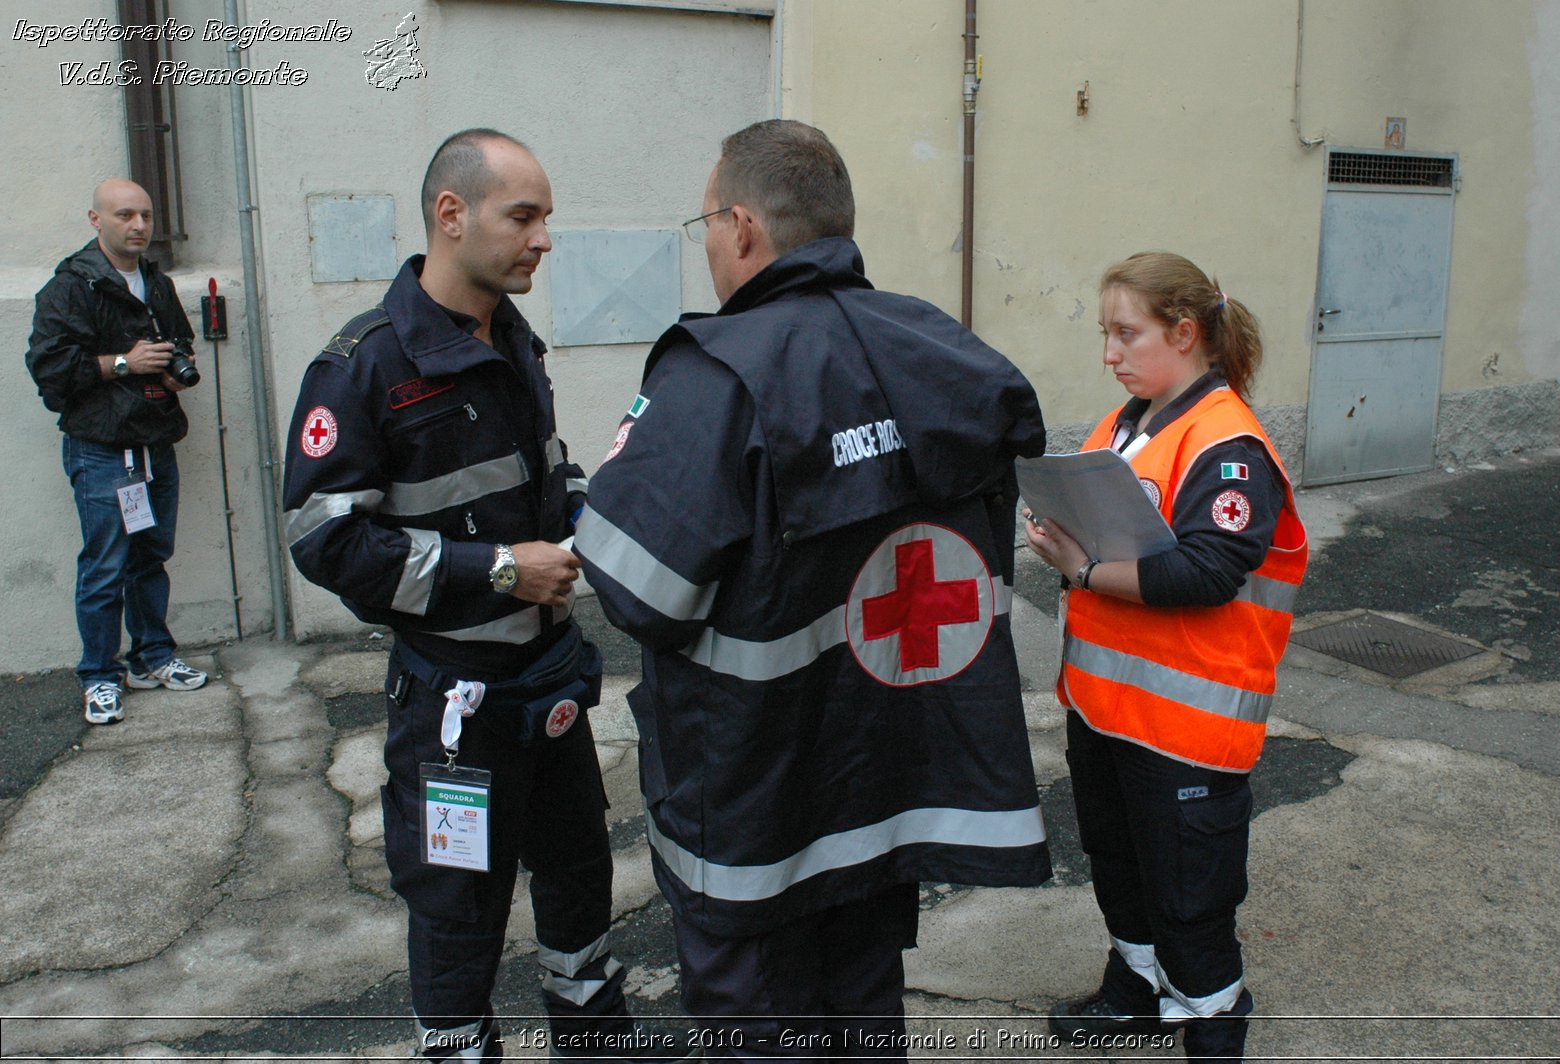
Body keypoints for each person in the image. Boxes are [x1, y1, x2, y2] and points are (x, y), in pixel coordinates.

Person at [575, 119, 1052, 1059]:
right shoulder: (947, 352)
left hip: (756, 807)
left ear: (744, 226)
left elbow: (640, 593)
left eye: (706, 221)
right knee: (865, 1014)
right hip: (890, 795)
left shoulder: (714, 375)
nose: (707, 242)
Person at [281, 129, 686, 1064]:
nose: (545, 239)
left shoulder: (509, 333)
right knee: (458, 905)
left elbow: (546, 475)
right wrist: (500, 571)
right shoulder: (362, 366)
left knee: (580, 875)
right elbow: (323, 536)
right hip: (453, 708)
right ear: (450, 217)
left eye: (547, 217)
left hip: (547, 683)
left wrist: (604, 509)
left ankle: (593, 1037)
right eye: (525, 216)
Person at [1024, 252, 1308, 1063]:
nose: (1109, 354)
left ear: (1185, 334)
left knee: (1191, 907)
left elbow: (1207, 571)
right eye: (1106, 334)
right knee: (1119, 866)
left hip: (1189, 729)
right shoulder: (1128, 421)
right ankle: (1133, 993)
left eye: (1126, 334)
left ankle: (1211, 1029)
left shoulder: (1228, 445)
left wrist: (1079, 569)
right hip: (1110, 713)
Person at [26, 178, 209, 726]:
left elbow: (180, 345)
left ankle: (151, 657)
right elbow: (51, 372)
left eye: (146, 216)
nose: (139, 226)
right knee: (104, 566)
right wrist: (126, 362)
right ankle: (98, 676)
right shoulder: (70, 288)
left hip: (154, 442)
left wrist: (174, 374)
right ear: (95, 219)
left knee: (150, 557)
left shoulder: (155, 282)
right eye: (125, 215)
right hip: (101, 450)